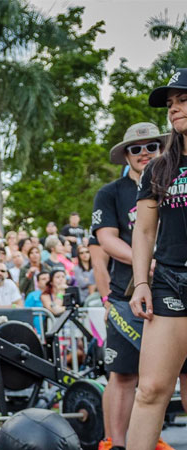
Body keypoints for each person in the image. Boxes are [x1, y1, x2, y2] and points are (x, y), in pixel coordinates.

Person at [91, 121, 172, 450]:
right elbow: (105, 241)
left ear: (162, 148)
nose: (144, 153)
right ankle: (116, 443)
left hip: (173, 292)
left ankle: (151, 440)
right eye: (135, 148)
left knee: (173, 377)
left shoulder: (176, 182)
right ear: (125, 155)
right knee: (123, 375)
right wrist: (146, 261)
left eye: (151, 146)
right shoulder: (110, 193)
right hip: (127, 295)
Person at [127, 73, 187, 450]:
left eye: (182, 100)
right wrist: (142, 283)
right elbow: (144, 231)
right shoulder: (158, 167)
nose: (174, 109)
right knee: (149, 390)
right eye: (170, 104)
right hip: (169, 282)